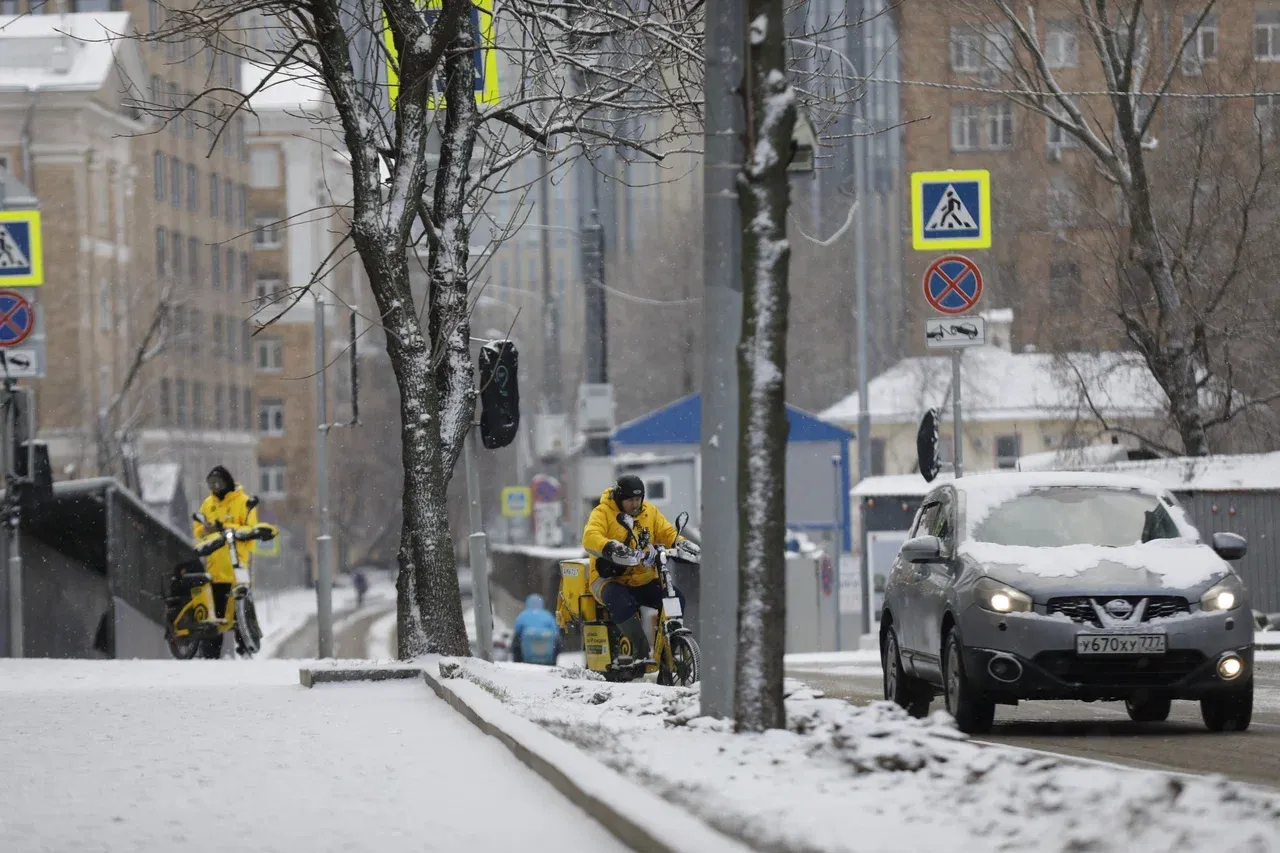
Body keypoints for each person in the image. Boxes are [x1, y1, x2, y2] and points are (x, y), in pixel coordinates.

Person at [582, 475, 690, 664]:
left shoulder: (650, 512)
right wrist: (610, 547)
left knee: (675, 598)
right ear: (618, 498)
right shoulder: (603, 512)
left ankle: (667, 648)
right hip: (609, 579)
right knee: (622, 603)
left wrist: (680, 544)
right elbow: (590, 537)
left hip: (643, 578)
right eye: (630, 500)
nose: (635, 504)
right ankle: (640, 652)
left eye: (638, 499)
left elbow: (667, 533)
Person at [193, 466, 265, 654]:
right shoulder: (208, 504)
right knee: (215, 617)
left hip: (237, 567)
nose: (215, 488)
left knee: (239, 613)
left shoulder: (243, 502)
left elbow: (250, 528)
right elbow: (198, 529)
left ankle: (245, 648)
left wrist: (223, 526)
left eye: (218, 483)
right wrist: (205, 530)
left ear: (228, 482)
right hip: (215, 568)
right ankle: (210, 655)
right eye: (211, 484)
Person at [510, 593, 560, 665]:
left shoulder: (523, 615)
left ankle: (518, 662)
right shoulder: (548, 615)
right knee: (557, 641)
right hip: (546, 649)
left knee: (517, 639)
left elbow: (517, 630)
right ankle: (552, 661)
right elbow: (555, 631)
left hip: (526, 652)